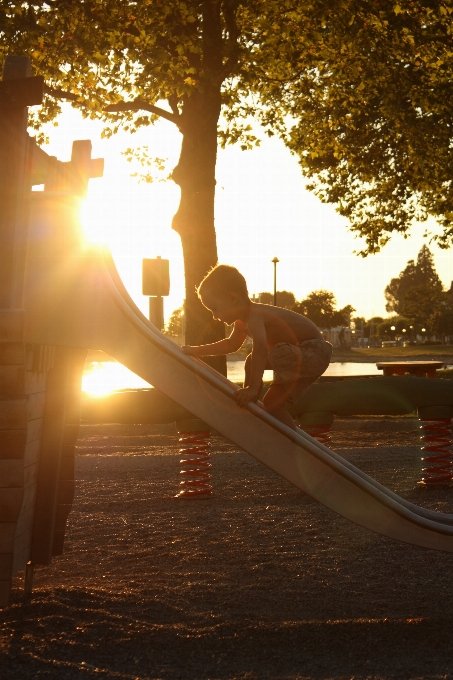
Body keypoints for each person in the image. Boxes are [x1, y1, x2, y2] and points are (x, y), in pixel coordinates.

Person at [182, 265, 332, 431]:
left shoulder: (254, 315)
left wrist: (253, 388)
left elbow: (260, 347)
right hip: (303, 354)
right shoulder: (242, 323)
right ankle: (255, 409)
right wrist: (196, 351)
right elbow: (231, 345)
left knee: (258, 360)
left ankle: (253, 395)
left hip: (313, 350)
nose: (215, 316)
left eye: (215, 309)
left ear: (232, 299)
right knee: (268, 399)